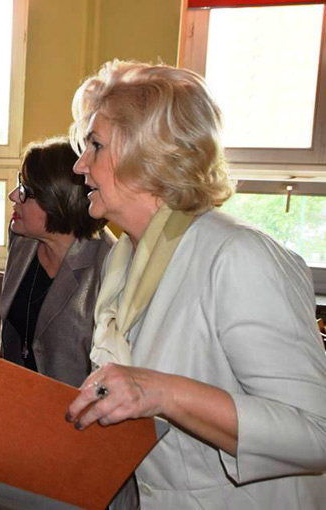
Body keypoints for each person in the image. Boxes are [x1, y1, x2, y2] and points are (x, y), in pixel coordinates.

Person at [65, 60, 326, 508]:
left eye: (96, 145)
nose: (80, 164)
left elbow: (316, 432)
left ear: (150, 156)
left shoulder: (238, 257)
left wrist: (163, 392)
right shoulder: (124, 261)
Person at [1, 137, 114, 387]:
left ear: (60, 200)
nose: (13, 195)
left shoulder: (109, 266)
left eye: (26, 191)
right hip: (13, 394)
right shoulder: (22, 238)